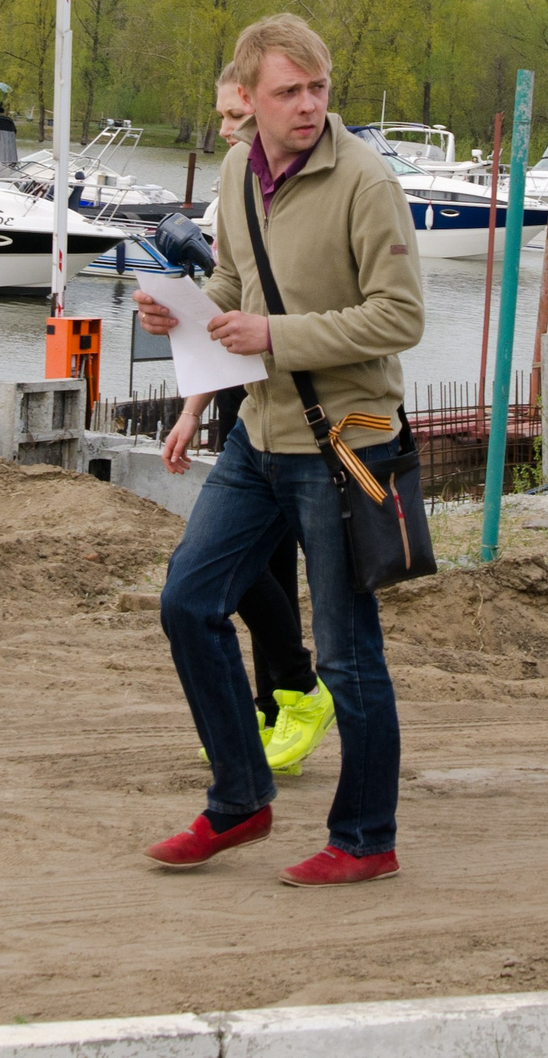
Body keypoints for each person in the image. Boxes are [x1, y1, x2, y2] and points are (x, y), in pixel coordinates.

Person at [136, 14, 423, 886]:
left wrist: (274, 334)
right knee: (189, 602)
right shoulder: (237, 168)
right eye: (287, 92)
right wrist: (182, 310)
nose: (306, 106)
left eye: (318, 89)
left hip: (349, 440)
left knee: (345, 652)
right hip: (261, 436)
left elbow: (401, 316)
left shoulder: (366, 182)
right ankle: (241, 801)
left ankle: (367, 839)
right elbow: (236, 286)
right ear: (249, 100)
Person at [161, 64, 333, 778]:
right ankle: (270, 705)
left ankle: (293, 688)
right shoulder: (238, 179)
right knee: (253, 562)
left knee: (260, 563)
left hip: (293, 394)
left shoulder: (298, 186)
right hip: (241, 391)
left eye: (235, 117)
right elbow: (224, 299)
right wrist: (192, 408)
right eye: (224, 118)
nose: (227, 131)